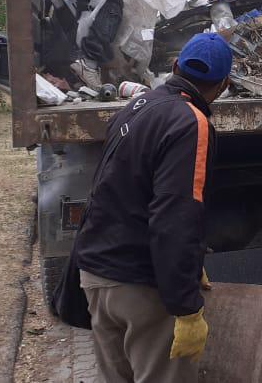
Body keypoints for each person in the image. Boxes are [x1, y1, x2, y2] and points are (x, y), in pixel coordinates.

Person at [72, 33, 232, 382]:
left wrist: (192, 264)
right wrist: (186, 307)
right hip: (140, 285)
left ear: (174, 67)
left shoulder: (134, 107)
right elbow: (176, 217)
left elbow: (114, 191)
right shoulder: (192, 122)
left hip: (97, 277)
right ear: (223, 86)